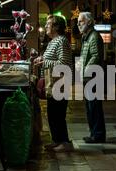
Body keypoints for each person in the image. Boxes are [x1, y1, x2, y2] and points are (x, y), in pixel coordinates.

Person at [34, 15, 73, 152]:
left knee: (58, 114)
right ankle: (57, 140)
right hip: (53, 84)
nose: (45, 27)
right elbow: (51, 59)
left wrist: (44, 62)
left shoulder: (61, 41)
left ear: (56, 27)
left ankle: (65, 142)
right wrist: (42, 58)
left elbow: (64, 63)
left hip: (60, 84)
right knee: (52, 114)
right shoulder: (53, 41)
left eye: (48, 24)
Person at [78, 12, 106, 143]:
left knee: (94, 107)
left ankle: (98, 134)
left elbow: (95, 55)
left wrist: (86, 71)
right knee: (90, 107)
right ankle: (93, 133)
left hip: (93, 77)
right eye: (78, 22)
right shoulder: (86, 37)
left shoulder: (94, 36)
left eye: (81, 21)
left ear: (89, 22)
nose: (78, 24)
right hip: (88, 77)